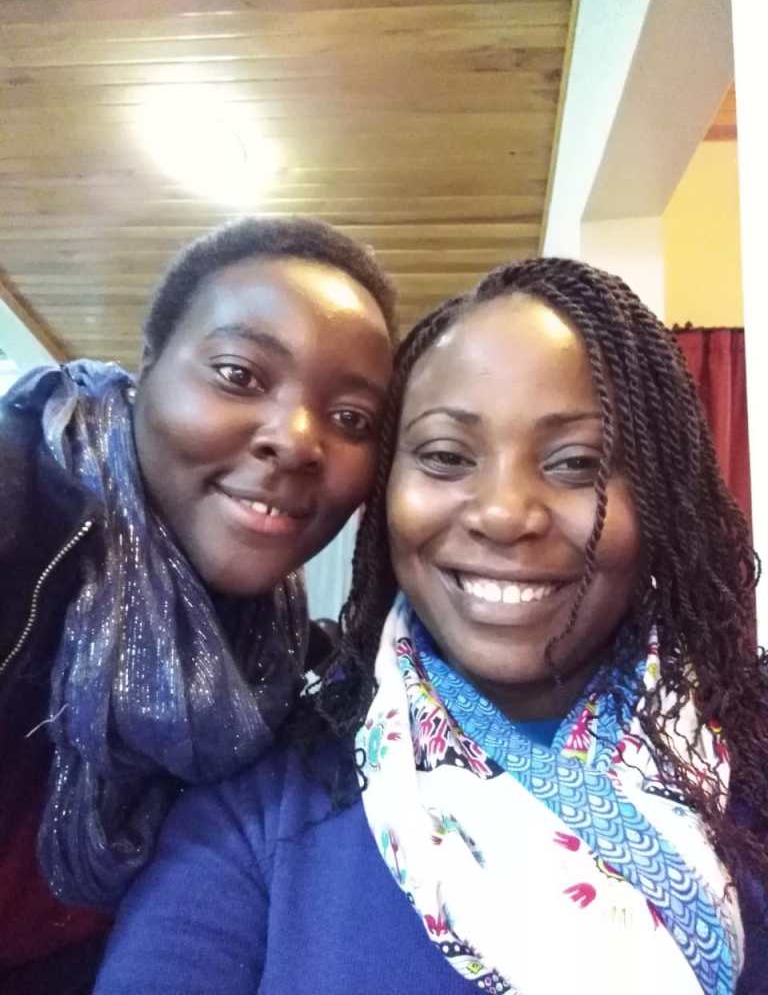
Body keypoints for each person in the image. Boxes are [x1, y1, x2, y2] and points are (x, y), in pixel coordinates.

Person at [93, 259, 767, 995]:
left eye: (576, 463)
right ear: (385, 489)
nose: (504, 514)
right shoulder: (256, 808)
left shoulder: (750, 759)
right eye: (446, 457)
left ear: (662, 495)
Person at [0, 216, 395, 993]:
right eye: (240, 375)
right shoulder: (21, 510)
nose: (297, 440)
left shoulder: (277, 662)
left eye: (352, 419)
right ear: (147, 365)